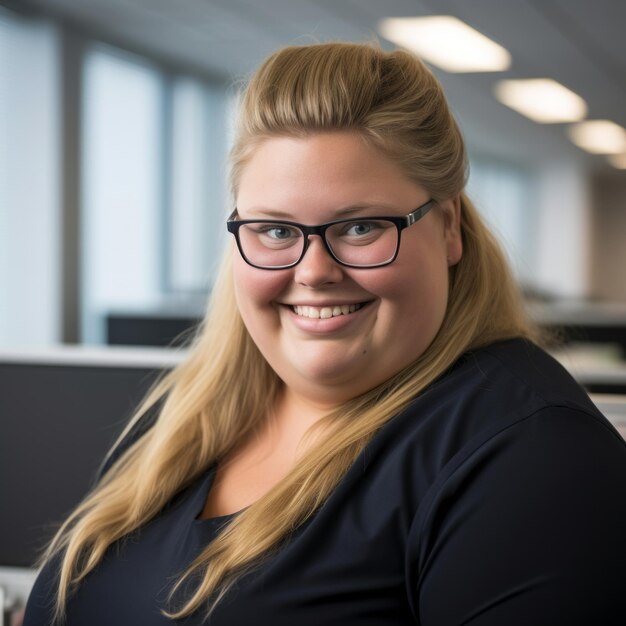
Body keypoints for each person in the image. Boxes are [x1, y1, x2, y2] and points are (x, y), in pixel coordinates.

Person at [23, 42, 626, 626]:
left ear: (448, 229)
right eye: (276, 231)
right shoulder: (192, 414)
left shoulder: (536, 457)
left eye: (361, 227)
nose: (313, 272)